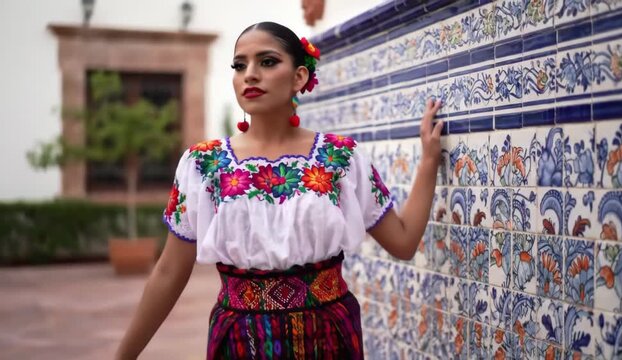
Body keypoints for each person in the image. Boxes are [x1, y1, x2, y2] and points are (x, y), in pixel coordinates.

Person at [115, 21, 442, 359]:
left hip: (328, 337)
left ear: (299, 77)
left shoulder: (340, 157)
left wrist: (428, 163)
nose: (250, 74)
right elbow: (169, 271)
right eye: (240, 65)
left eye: (267, 62)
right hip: (242, 342)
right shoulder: (203, 163)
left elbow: (402, 242)